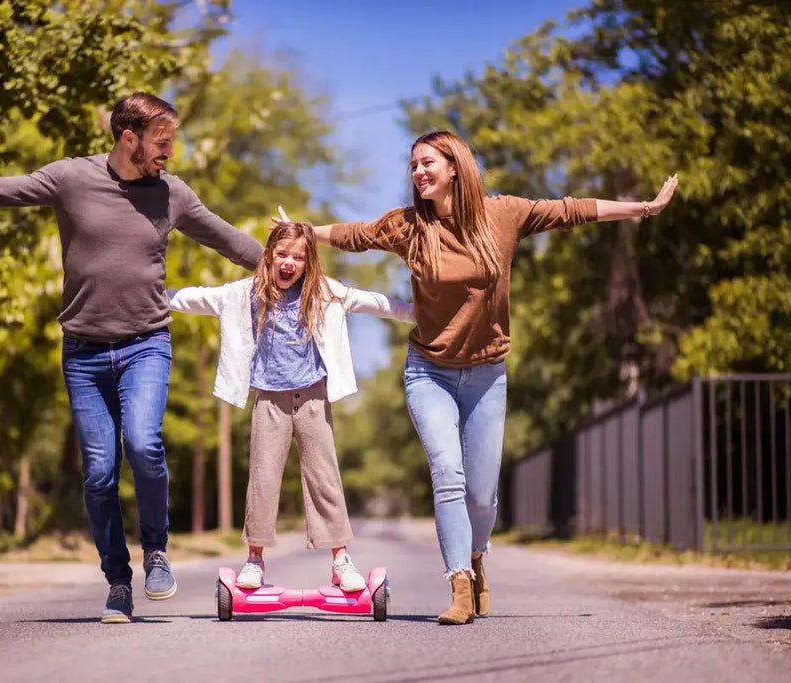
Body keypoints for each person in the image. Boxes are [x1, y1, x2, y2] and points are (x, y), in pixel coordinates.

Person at [0, 92, 263, 624]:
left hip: (146, 343)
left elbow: (231, 240)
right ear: (128, 137)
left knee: (144, 441)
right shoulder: (72, 178)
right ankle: (118, 581)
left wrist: (295, 261)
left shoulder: (173, 195)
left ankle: (156, 550)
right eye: (162, 143)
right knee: (98, 472)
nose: (171, 153)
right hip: (84, 353)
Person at [283, 130, 678, 624]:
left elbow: (571, 210)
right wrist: (301, 231)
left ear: (454, 166)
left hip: (488, 375)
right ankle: (460, 586)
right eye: (413, 166)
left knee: (481, 494)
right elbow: (355, 234)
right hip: (429, 371)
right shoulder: (410, 227)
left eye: (427, 162)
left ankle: (476, 555)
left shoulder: (503, 215)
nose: (418, 172)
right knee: (448, 475)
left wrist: (643, 208)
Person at [168, 221, 414, 591]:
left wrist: (419, 313)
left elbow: (376, 303)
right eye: (282, 254)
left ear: (308, 261)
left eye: (298, 257)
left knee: (324, 477)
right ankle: (255, 559)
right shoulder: (246, 294)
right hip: (270, 397)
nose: (289, 263)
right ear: (268, 256)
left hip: (313, 396)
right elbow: (198, 298)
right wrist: (151, 293)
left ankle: (340, 559)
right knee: (263, 479)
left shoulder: (324, 293)